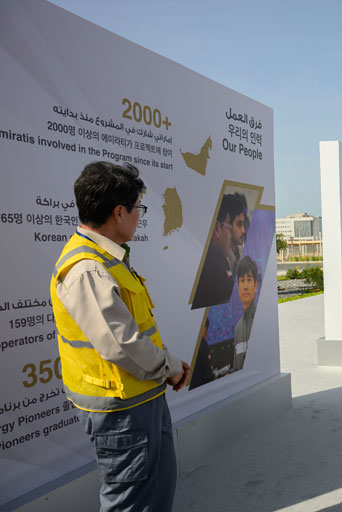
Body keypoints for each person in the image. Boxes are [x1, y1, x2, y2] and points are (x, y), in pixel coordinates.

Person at [51, 161, 189, 511]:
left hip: (141, 396)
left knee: (156, 492)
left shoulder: (106, 258)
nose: (139, 216)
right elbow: (122, 345)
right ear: (119, 212)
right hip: (122, 410)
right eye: (138, 208)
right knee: (130, 503)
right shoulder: (87, 269)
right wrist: (170, 367)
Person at [192, 192, 247, 309]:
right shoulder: (217, 264)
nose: (243, 230)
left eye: (243, 224)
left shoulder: (218, 259)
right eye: (238, 224)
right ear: (217, 228)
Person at [232, 255, 260, 372]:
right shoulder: (238, 328)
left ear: (255, 286)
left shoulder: (261, 320)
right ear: (238, 287)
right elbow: (236, 367)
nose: (245, 287)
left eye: (249, 280)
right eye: (242, 281)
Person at [189, 317, 214, 389]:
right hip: (202, 386)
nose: (206, 334)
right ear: (204, 328)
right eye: (206, 330)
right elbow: (207, 370)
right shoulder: (202, 343)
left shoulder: (190, 341)